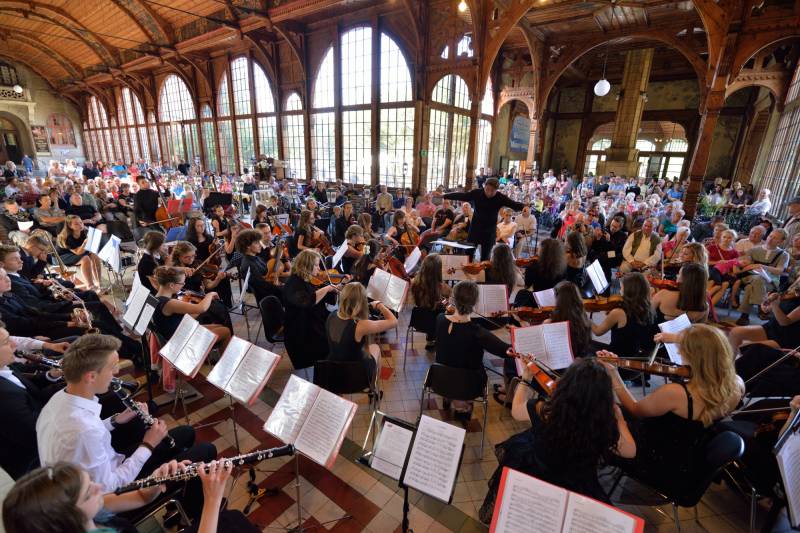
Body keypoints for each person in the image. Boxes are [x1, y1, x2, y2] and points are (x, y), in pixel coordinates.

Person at [36, 334, 216, 502]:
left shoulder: (61, 398)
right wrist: (148, 444)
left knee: (187, 432)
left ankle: (181, 485)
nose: (117, 371)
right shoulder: (84, 431)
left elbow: (89, 431)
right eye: (112, 367)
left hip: (106, 465)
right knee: (206, 451)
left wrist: (116, 420)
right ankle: (190, 506)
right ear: (91, 376)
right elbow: (111, 486)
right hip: (112, 493)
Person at [479, 358, 636, 523]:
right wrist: (619, 419)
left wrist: (526, 379)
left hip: (537, 474)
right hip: (576, 485)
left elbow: (516, 411)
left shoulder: (547, 410)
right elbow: (630, 451)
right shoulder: (602, 426)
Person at [600, 324, 744, 496]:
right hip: (688, 454)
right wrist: (676, 339)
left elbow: (635, 409)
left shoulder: (676, 393)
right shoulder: (736, 384)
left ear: (695, 357)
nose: (680, 354)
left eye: (683, 351)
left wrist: (614, 374)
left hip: (657, 460)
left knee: (599, 416)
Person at [2, 459, 253, 533]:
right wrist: (212, 499)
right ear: (67, 519)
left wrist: (156, 480)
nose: (99, 488)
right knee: (233, 523)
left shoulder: (88, 512)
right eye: (89, 491)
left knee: (231, 520)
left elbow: (141, 498)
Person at [435, 281, 511, 419]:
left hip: (440, 379)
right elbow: (506, 351)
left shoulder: (440, 319)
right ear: (475, 303)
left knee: (452, 360)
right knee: (471, 369)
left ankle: (448, 397)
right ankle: (464, 407)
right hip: (470, 385)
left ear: (453, 299)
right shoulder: (478, 333)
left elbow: (453, 327)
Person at [326, 283, 397, 385]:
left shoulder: (331, 316)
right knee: (375, 348)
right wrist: (379, 305)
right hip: (354, 376)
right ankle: (373, 388)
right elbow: (394, 321)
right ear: (362, 302)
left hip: (332, 371)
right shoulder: (361, 325)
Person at [442, 177, 526, 261]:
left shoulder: (500, 197)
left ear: (496, 190)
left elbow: (513, 204)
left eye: (492, 190)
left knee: (485, 258)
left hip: (489, 231)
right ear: (484, 186)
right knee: (468, 254)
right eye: (487, 189)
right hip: (475, 229)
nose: (489, 192)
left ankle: (485, 269)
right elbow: (463, 196)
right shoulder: (477, 193)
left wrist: (524, 207)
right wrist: (445, 195)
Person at [282, 250, 338, 370]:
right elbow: (308, 301)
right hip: (302, 334)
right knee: (333, 342)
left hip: (310, 322)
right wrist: (327, 288)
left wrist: (336, 289)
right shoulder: (293, 284)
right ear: (306, 266)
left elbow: (317, 297)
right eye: (316, 265)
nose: (319, 268)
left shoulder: (305, 279)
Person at [153, 263, 232, 346]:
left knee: (219, 326)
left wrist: (201, 303)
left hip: (180, 333)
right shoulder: (169, 303)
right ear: (171, 285)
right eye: (182, 283)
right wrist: (210, 294)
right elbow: (201, 308)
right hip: (180, 341)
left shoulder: (158, 297)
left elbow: (186, 317)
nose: (183, 285)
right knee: (225, 331)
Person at [733, 228, 789, 325]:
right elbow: (743, 265)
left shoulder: (784, 254)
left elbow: (779, 271)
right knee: (757, 279)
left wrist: (761, 266)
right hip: (749, 277)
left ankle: (744, 316)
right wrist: (748, 264)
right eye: (770, 236)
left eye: (775, 238)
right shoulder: (754, 250)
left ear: (781, 241)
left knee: (751, 287)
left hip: (770, 281)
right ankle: (762, 308)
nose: (770, 239)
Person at [409, 254, 451, 350]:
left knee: (430, 309)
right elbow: (448, 297)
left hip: (418, 321)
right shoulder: (442, 287)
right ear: (438, 270)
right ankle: (440, 341)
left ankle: (430, 340)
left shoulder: (415, 282)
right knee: (443, 310)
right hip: (435, 323)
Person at [236, 228, 285, 304]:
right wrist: (281, 286)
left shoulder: (257, 257)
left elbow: (267, 272)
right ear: (248, 246)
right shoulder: (248, 265)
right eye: (256, 243)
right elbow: (262, 287)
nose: (260, 245)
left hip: (272, 289)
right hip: (268, 298)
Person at [56, 215, 103, 290]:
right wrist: (85, 243)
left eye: (81, 222)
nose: (80, 225)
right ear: (70, 226)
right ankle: (90, 285)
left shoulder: (84, 231)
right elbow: (78, 252)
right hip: (63, 256)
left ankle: (99, 282)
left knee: (94, 255)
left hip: (78, 250)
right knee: (85, 259)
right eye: (76, 224)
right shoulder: (67, 237)